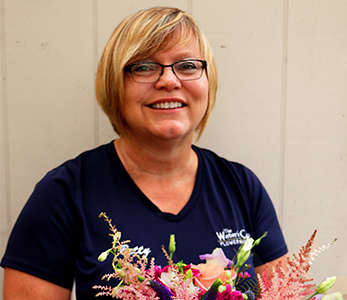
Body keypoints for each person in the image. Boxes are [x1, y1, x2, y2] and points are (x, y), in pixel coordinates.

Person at [1, 6, 288, 300]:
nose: (169, 81)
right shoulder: (64, 193)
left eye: (187, 65)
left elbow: (285, 294)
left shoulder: (241, 186)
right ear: (115, 85)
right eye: (143, 67)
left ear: (208, 81)